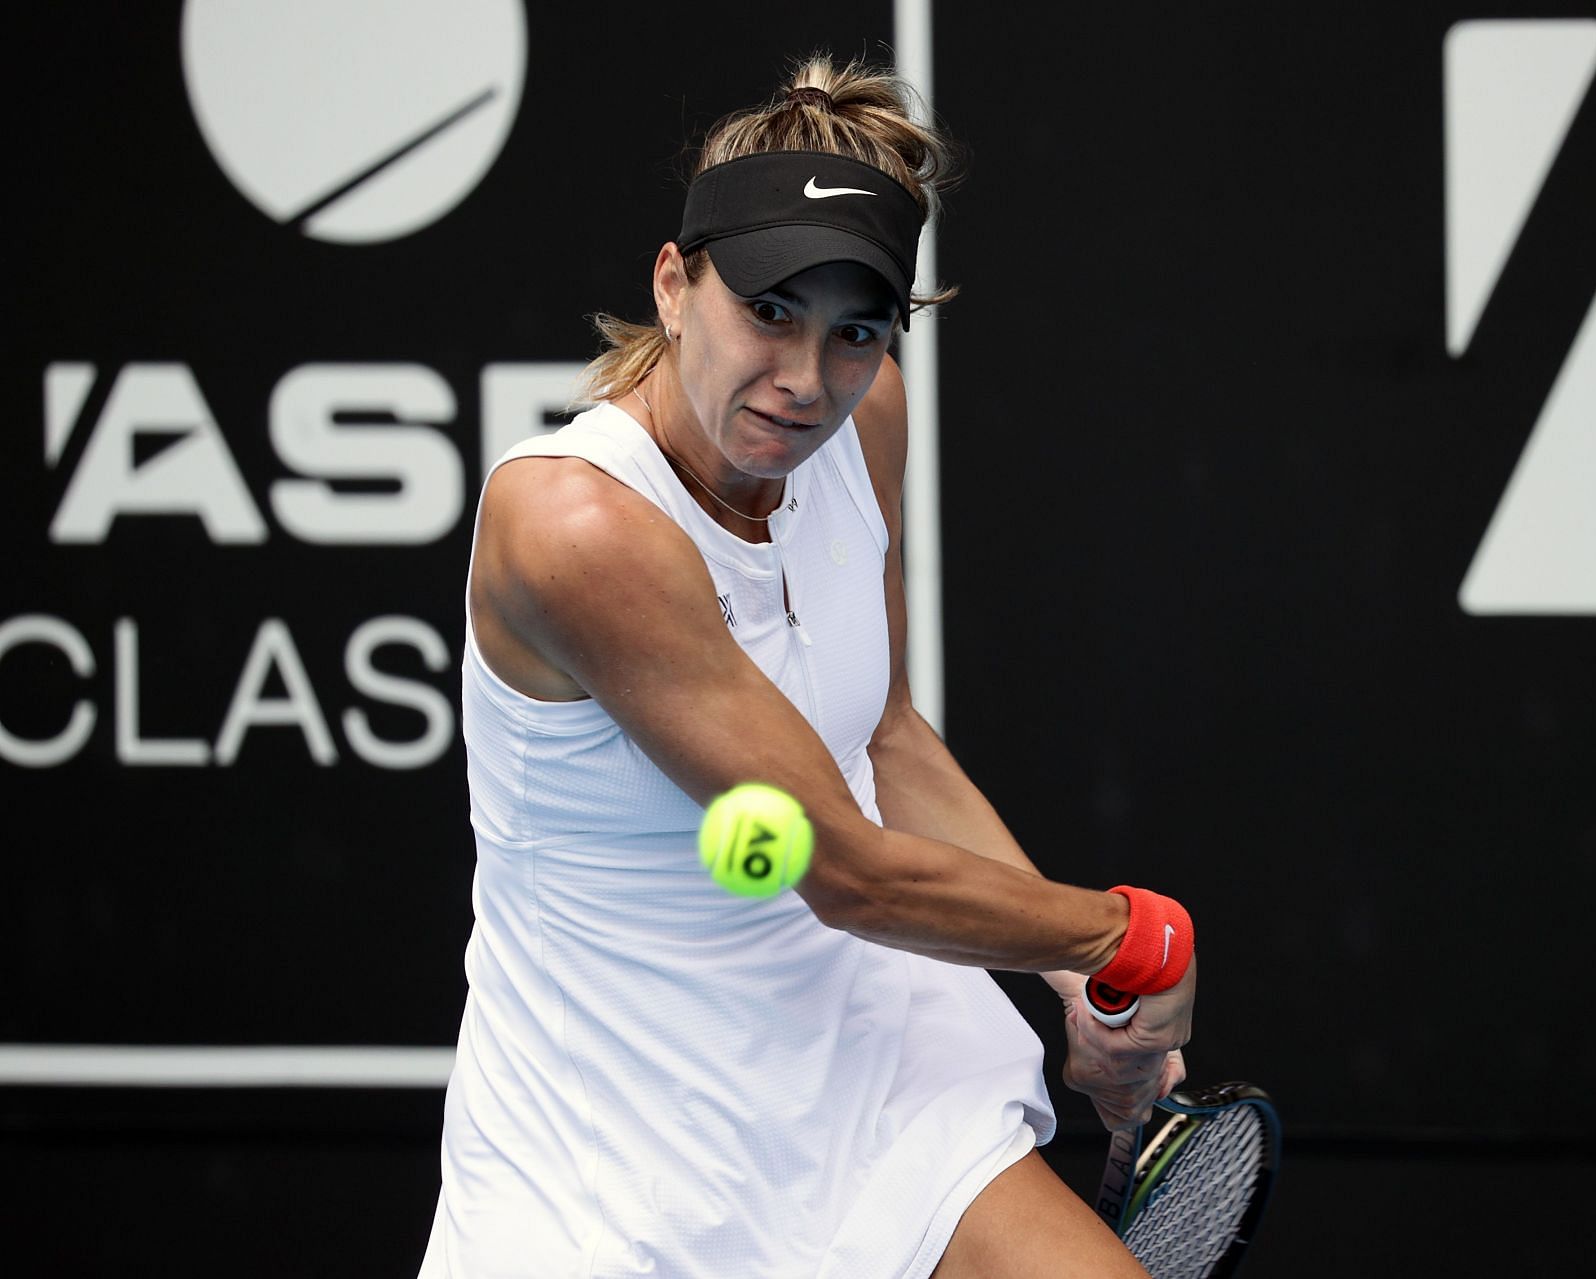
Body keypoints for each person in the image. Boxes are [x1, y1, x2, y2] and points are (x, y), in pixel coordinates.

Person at [418, 53, 1197, 1279]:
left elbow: (881, 735)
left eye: (854, 332)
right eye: (768, 312)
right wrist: (1120, 937)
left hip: (866, 1072)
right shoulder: (578, 529)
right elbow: (843, 867)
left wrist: (1067, 979)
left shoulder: (861, 416)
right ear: (674, 286)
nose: (805, 380)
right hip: (612, 1162)